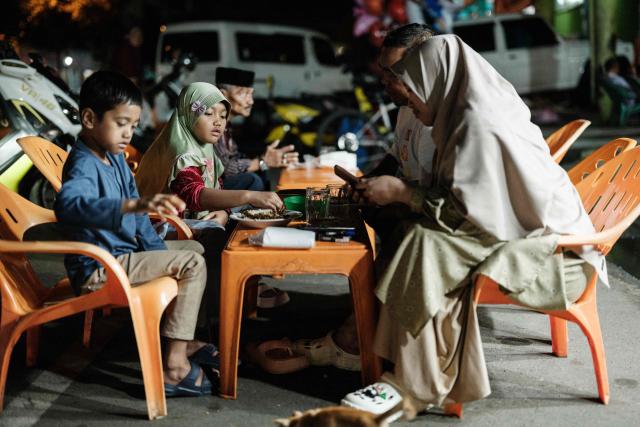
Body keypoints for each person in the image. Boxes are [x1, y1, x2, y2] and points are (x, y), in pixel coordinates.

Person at [340, 35, 607, 421]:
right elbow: (477, 207)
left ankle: (408, 384)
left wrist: (401, 192)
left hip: (556, 256)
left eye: (409, 85)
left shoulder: (478, 123)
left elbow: (465, 210)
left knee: (425, 244)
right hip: (523, 234)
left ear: (436, 80)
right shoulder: (465, 110)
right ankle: (411, 374)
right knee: (424, 242)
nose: (407, 99)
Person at [54, 71, 216, 397]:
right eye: (121, 123)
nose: (129, 132)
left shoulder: (114, 155)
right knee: (192, 265)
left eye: (133, 124)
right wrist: (130, 204)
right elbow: (68, 206)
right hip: (100, 268)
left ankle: (178, 339)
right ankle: (174, 367)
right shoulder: (84, 163)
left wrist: (157, 250)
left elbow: (141, 218)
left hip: (122, 257)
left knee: (195, 251)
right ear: (89, 118)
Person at [292, 23, 437, 371]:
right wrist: (368, 183)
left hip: (446, 226)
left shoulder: (442, 117)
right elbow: (395, 155)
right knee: (362, 211)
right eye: (383, 71)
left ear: (422, 70)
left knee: (404, 231)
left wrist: (397, 192)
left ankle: (357, 339)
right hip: (429, 210)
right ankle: (364, 311)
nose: (384, 81)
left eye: (393, 73)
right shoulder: (409, 108)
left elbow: (453, 202)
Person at [135, 82, 287, 319]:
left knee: (234, 222)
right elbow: (194, 194)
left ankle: (239, 296)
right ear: (188, 113)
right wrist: (249, 197)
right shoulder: (181, 149)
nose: (218, 122)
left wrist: (226, 210)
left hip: (182, 219)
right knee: (220, 235)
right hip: (155, 227)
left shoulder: (201, 145)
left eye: (223, 116)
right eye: (208, 113)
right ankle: (217, 314)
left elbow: (216, 186)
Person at [214, 67, 299, 190]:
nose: (251, 101)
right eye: (242, 93)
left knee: (260, 172)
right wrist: (262, 162)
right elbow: (224, 169)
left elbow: (235, 157)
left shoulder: (227, 125)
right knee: (252, 180)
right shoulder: (213, 123)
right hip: (211, 187)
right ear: (222, 94)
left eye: (251, 94)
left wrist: (265, 162)